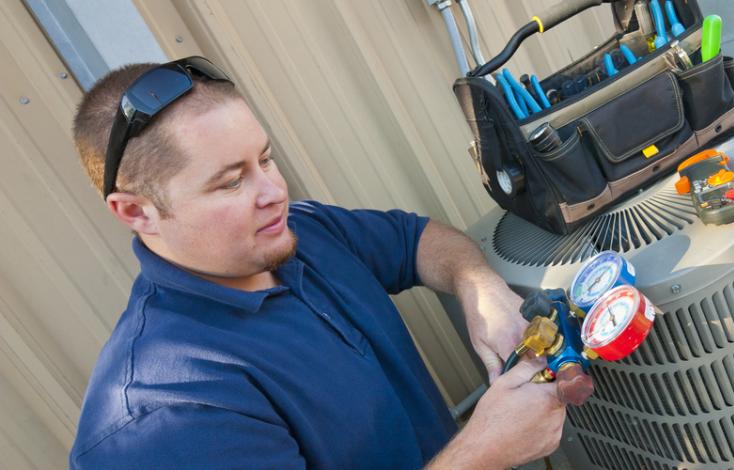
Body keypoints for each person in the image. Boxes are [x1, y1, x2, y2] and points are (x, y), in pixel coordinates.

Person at [68, 57, 566, 469]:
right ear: (137, 212)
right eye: (230, 182)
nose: (274, 192)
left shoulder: (300, 232)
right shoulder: (162, 415)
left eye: (264, 159)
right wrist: (485, 451)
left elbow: (416, 240)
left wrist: (480, 289)